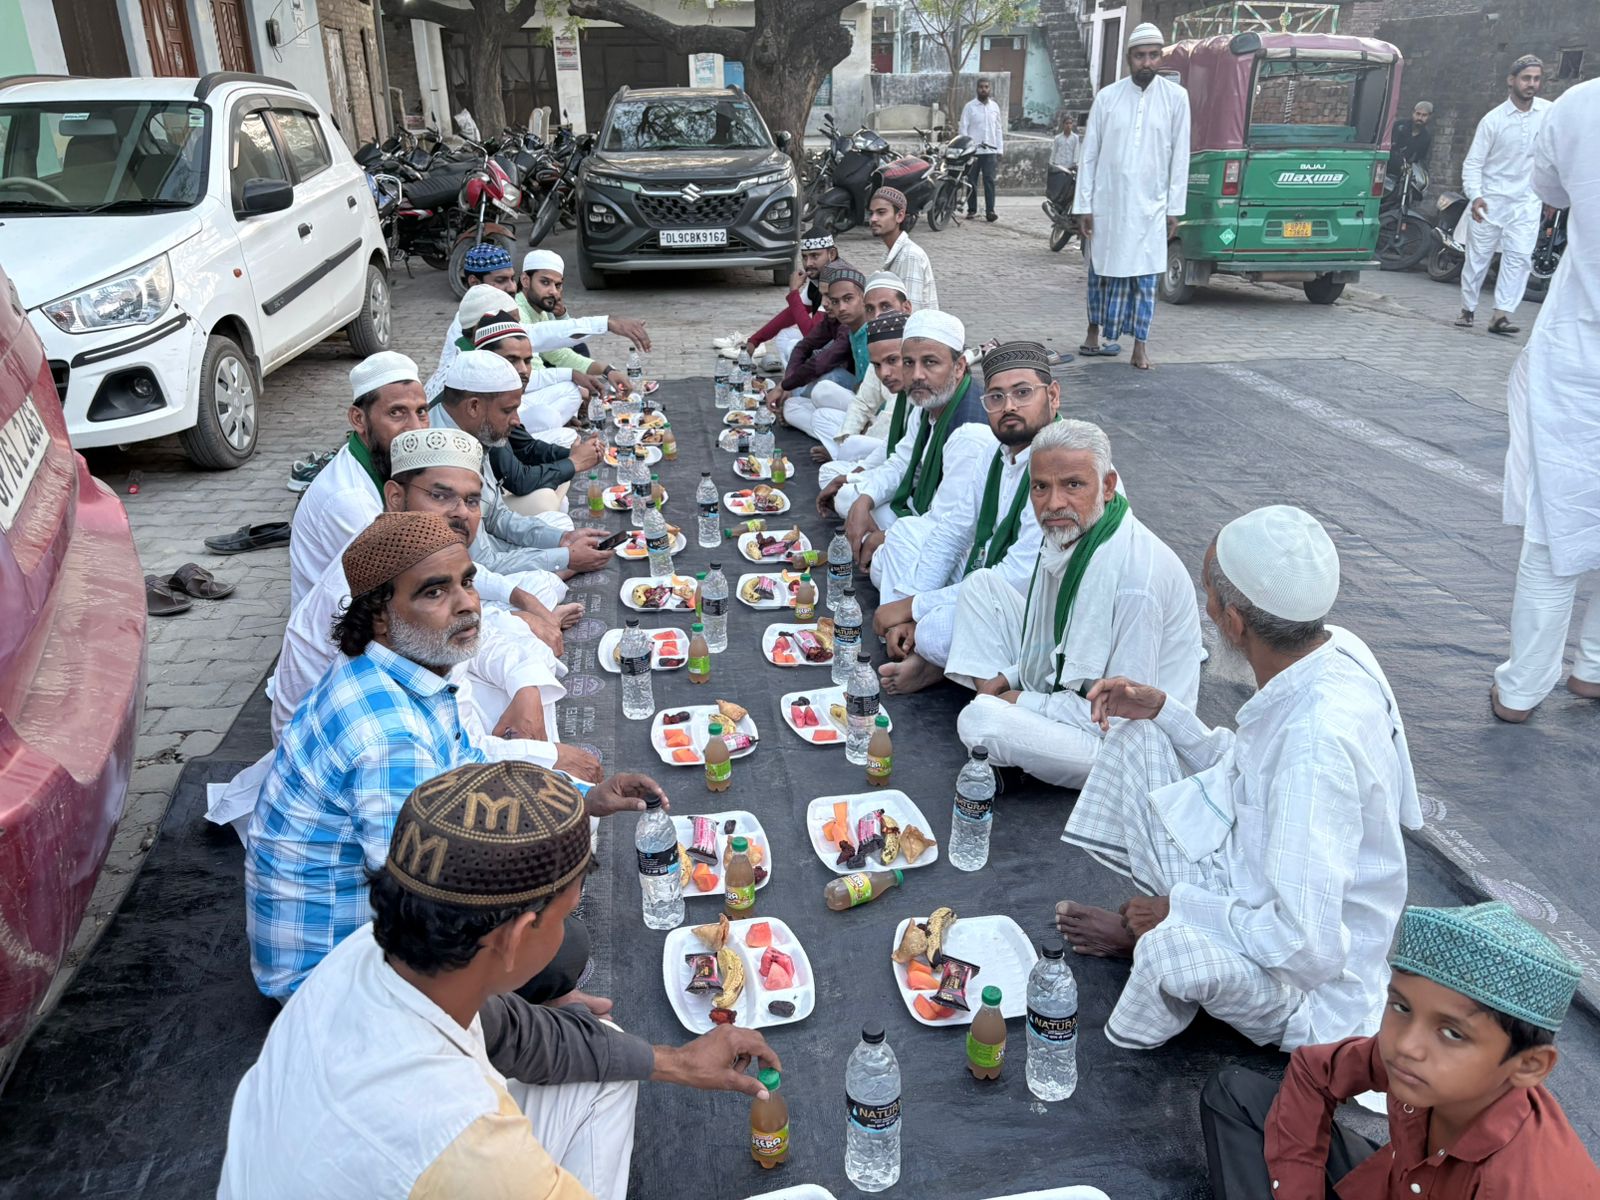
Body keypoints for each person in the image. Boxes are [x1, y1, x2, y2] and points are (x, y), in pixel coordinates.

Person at [222, 761, 782, 1200]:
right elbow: (468, 1151)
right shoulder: (466, 1146)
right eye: (565, 916)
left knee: (604, 1051)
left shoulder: (372, 952)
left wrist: (677, 1062)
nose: (567, 931)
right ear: (514, 937)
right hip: (435, 1159)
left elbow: (514, 1029)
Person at [247, 513, 660, 1001]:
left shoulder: (399, 673)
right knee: (555, 941)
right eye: (434, 592)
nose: (467, 603)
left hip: (376, 920)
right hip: (330, 983)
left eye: (467, 582)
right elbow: (421, 901)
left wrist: (582, 797)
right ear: (380, 615)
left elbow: (469, 766)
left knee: (545, 918)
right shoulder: (388, 738)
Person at [1057, 505, 1423, 1051]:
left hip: (1308, 990)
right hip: (1254, 881)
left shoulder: (1314, 749)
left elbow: (1306, 948)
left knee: (1170, 952)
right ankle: (1158, 927)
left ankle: (1146, 941)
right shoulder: (1332, 647)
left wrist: (1179, 910)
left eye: (1208, 594)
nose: (1205, 608)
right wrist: (1164, 710)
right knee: (1139, 737)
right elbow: (1244, 771)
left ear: (1233, 623)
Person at [1199, 901, 1598, 1198]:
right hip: (1392, 1183)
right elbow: (1314, 1070)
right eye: (1402, 1007)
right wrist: (1300, 1189)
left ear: (1529, 1065)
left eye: (1452, 1033)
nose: (1406, 1045)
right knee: (1237, 1093)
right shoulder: (1419, 1065)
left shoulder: (1525, 1185)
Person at [271, 429, 591, 783]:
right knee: (511, 679)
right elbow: (439, 755)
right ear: (395, 498)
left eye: (472, 501)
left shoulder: (417, 553)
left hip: (414, 713)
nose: (461, 513)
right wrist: (544, 759)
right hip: (357, 759)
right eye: (441, 496)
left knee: (520, 655)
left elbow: (476, 612)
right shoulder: (368, 585)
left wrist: (526, 684)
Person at [935, 417, 1201, 786]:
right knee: (980, 586)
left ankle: (1008, 741)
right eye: (1041, 487)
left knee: (979, 719)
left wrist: (1019, 701)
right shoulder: (1068, 536)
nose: (1054, 503)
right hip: (1076, 698)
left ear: (1107, 486)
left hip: (1125, 744)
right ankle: (1012, 740)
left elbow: (1119, 715)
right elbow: (1059, 642)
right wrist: (1009, 678)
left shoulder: (1135, 579)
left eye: (1073, 484)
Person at [1493, 76, 1600, 721]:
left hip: (1582, 348)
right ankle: (1594, 668)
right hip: (1578, 349)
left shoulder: (1579, 105)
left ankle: (1523, 687)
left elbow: (1552, 191)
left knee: (1556, 521)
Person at [873, 342, 1059, 690]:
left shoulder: (1061, 465)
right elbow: (954, 531)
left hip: (1038, 604)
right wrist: (908, 603)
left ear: (1052, 396)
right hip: (987, 572)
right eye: (996, 397)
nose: (1009, 406)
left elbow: (1016, 578)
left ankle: (930, 657)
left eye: (1022, 393)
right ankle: (910, 640)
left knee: (934, 632)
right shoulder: (995, 452)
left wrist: (914, 606)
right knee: (905, 533)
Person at [431, 350, 611, 579]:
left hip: (488, 548)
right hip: (466, 574)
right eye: (508, 410)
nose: (517, 420)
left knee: (560, 526)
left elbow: (497, 516)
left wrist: (562, 540)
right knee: (543, 584)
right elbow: (480, 564)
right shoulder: (444, 456)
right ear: (473, 407)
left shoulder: (472, 430)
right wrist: (564, 560)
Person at [1073, 22, 1190, 370]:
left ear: (1160, 57)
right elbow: (1089, 155)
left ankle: (1140, 345)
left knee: (1145, 278)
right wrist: (1084, 205)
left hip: (1150, 208)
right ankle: (1093, 331)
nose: (1147, 62)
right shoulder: (1107, 98)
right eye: (1140, 56)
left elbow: (1180, 156)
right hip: (1108, 205)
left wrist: (1174, 208)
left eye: (1153, 55)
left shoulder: (1176, 98)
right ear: (1129, 58)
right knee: (1101, 272)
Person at [837, 311, 987, 566]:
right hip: (922, 509)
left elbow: (951, 524)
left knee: (884, 564)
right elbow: (901, 462)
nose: (917, 374)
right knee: (849, 500)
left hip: (958, 540)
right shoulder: (927, 401)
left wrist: (888, 537)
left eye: (930, 362)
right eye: (909, 363)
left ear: (959, 366)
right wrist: (865, 499)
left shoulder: (971, 430)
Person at [289, 351, 429, 609]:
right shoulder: (349, 499)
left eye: (421, 412)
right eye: (397, 413)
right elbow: (411, 581)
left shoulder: (381, 459)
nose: (416, 429)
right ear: (358, 419)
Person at [469, 313, 605, 514]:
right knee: (546, 500)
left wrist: (574, 454)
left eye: (527, 361)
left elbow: (526, 446)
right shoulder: (481, 399)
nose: (523, 370)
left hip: (493, 494)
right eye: (512, 360)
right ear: (487, 360)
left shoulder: (499, 390)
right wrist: (574, 462)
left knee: (557, 488)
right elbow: (518, 480)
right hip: (479, 509)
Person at [1457, 55, 1552, 335]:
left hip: (1526, 202)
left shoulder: (1549, 113)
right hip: (1490, 201)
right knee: (1477, 259)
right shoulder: (1493, 120)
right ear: (1512, 80)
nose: (1531, 84)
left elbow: (1555, 153)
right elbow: (1473, 163)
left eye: (1536, 79)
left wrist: (1551, 193)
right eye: (1526, 78)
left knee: (1519, 258)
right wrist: (1475, 196)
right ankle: (1467, 309)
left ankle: (1500, 315)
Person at [427, 285, 650, 401]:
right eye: (513, 321)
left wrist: (608, 324)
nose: (511, 287)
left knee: (570, 391)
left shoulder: (485, 340)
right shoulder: (471, 363)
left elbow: (551, 334)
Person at [811, 282, 912, 472]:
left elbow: (892, 420)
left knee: (831, 471)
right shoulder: (876, 342)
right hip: (876, 429)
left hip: (898, 446)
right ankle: (844, 458)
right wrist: (848, 438)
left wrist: (856, 444)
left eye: (885, 306)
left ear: (906, 307)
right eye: (870, 309)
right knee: (820, 417)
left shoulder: (911, 351)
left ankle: (843, 460)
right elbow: (863, 402)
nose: (877, 315)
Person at [768, 263, 871, 438]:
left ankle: (846, 436)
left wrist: (786, 385)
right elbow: (804, 346)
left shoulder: (865, 327)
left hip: (869, 404)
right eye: (834, 300)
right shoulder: (838, 319)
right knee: (791, 408)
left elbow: (822, 363)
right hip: (854, 399)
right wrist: (786, 382)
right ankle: (837, 435)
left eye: (847, 299)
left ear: (863, 299)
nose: (825, 303)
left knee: (824, 385)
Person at [517, 249, 635, 393]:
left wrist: (608, 370)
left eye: (557, 285)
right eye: (545, 282)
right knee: (576, 391)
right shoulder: (517, 312)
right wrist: (574, 378)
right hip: (522, 393)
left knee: (579, 350)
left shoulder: (540, 310)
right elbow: (534, 374)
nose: (553, 291)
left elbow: (559, 355)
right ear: (525, 280)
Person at [747, 228, 838, 367]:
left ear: (831, 254)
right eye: (805, 257)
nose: (808, 264)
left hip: (840, 351)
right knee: (784, 335)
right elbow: (790, 315)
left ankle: (797, 379)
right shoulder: (819, 278)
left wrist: (794, 291)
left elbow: (811, 334)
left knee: (794, 346)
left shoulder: (837, 281)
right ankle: (795, 376)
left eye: (815, 256)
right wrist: (755, 340)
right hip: (826, 341)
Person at [869, 186, 938, 309]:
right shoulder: (894, 253)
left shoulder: (910, 256)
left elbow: (910, 311)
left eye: (881, 212)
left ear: (900, 216)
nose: (873, 219)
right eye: (871, 213)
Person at [959, 76, 1004, 222]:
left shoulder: (994, 107)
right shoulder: (969, 107)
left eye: (986, 87)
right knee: (971, 180)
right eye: (981, 87)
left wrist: (1000, 149)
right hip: (973, 151)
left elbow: (998, 129)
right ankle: (972, 210)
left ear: (990, 89)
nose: (983, 89)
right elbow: (963, 128)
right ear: (977, 89)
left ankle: (990, 211)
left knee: (989, 180)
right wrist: (965, 148)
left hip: (990, 151)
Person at [1047, 112, 1080, 215]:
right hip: (1059, 166)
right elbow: (1054, 151)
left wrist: (1075, 163)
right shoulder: (1058, 138)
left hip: (1070, 167)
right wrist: (1051, 163)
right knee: (1058, 188)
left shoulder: (1075, 138)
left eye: (1070, 123)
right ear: (1063, 124)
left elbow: (1076, 151)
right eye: (1067, 123)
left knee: (1068, 190)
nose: (1068, 126)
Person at [1388, 100, 1434, 171]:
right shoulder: (1399, 126)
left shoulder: (1426, 138)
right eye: (1418, 114)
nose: (1420, 118)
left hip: (1404, 172)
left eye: (1424, 115)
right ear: (1413, 113)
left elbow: (1420, 159)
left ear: (1429, 117)